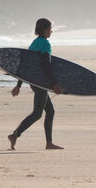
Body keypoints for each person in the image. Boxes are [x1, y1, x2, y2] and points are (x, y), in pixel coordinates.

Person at [7, 18, 64, 151]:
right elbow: (46, 66)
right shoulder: (45, 44)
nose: (51, 31)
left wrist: (18, 85)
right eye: (50, 29)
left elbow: (25, 66)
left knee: (50, 111)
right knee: (37, 113)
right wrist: (54, 84)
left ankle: (49, 143)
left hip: (34, 81)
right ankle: (15, 135)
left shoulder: (34, 43)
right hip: (40, 83)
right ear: (45, 29)